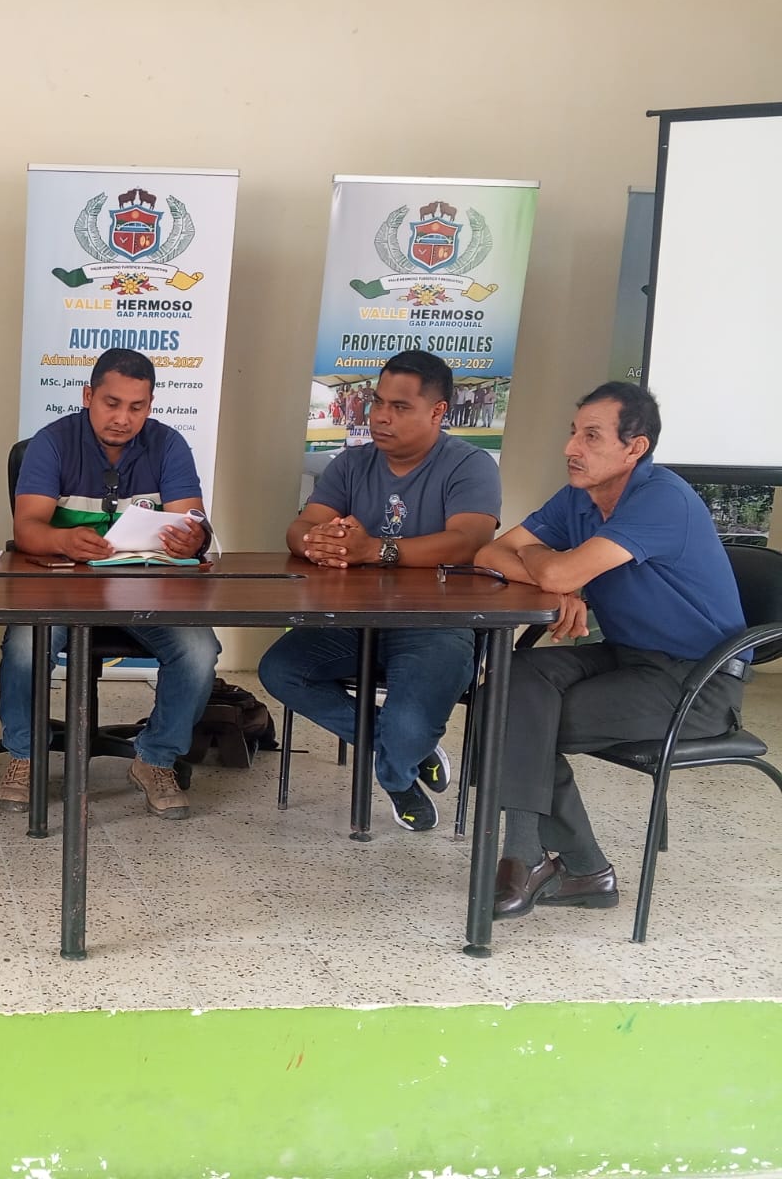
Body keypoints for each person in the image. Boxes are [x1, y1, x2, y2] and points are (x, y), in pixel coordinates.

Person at [474, 382, 749, 918]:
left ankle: (535, 860)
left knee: (518, 718)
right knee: (510, 683)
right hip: (627, 655)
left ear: (634, 448)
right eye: (574, 433)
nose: (571, 448)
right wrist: (558, 579)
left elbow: (550, 568)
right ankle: (577, 868)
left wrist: (555, 571)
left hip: (698, 681)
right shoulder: (580, 496)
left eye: (591, 437)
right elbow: (489, 553)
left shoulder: (662, 498)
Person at [258, 350, 501, 831]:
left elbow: (468, 541)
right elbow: (301, 527)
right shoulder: (351, 464)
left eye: (400, 407)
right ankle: (408, 755)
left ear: (438, 411)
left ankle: (395, 774)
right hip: (353, 620)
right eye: (378, 402)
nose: (381, 417)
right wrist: (318, 541)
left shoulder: (470, 465)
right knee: (281, 670)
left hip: (437, 625)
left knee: (408, 724)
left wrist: (376, 549)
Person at [0, 347, 219, 819]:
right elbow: (26, 529)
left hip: (144, 589)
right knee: (24, 645)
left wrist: (192, 537)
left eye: (137, 407)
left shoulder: (169, 445)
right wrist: (63, 540)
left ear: (151, 405)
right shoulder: (52, 442)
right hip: (61, 589)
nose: (123, 418)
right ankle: (25, 755)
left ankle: (155, 759)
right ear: (88, 396)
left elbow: (193, 520)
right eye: (111, 403)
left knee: (199, 650)